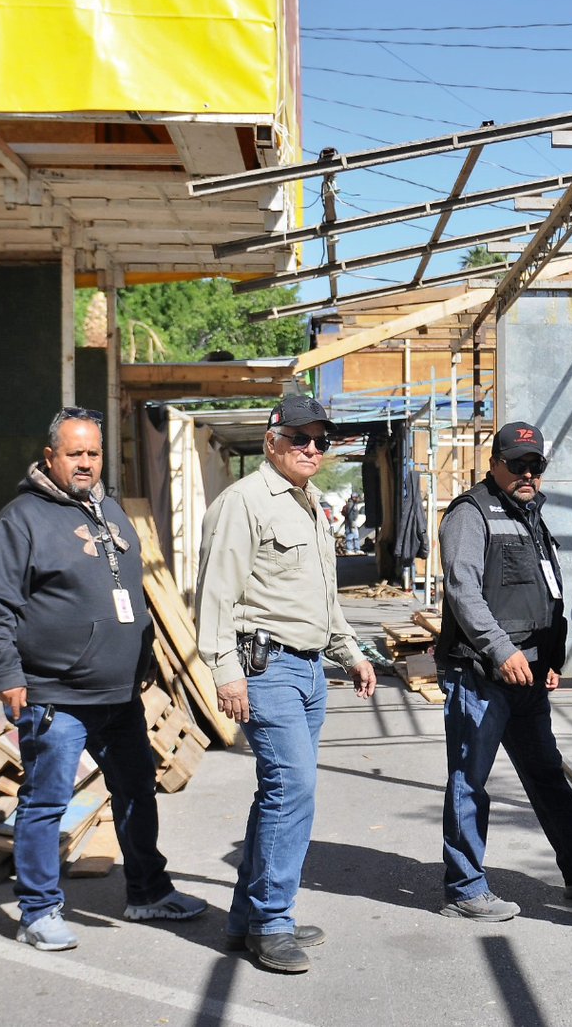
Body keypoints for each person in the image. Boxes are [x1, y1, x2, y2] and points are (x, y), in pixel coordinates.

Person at [0, 407, 205, 952]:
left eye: (93, 453)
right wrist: (6, 672)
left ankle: (147, 892)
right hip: (56, 695)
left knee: (136, 791)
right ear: (50, 456)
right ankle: (37, 912)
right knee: (45, 802)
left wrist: (142, 658)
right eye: (73, 452)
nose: (85, 462)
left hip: (120, 695)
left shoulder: (110, 512)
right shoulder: (21, 520)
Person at [194, 395, 377, 975]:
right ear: (271, 441)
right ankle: (272, 923)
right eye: (300, 437)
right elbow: (215, 594)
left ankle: (246, 919)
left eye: (321, 440)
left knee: (278, 793)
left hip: (310, 670)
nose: (312, 449)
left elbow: (322, 596)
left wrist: (350, 652)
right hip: (265, 668)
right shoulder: (244, 502)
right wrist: (225, 671)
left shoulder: (311, 503)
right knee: (292, 789)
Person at [435, 422, 572, 922]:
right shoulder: (470, 513)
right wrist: (501, 650)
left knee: (546, 774)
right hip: (481, 673)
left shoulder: (531, 515)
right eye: (517, 463)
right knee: (469, 780)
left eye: (535, 465)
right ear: (494, 463)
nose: (527, 473)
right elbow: (462, 590)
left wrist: (552, 658)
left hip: (529, 675)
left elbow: (545, 594)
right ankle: (465, 888)